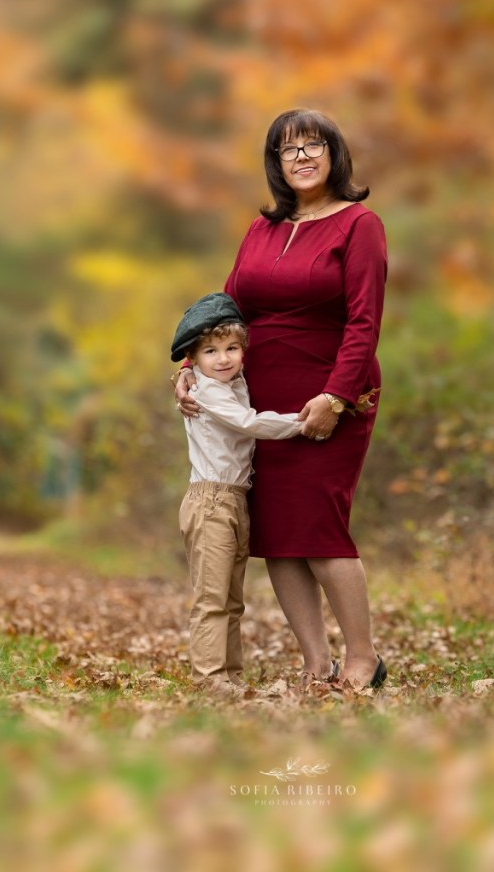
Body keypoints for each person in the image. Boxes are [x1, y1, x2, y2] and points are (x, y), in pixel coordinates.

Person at [174, 109, 387, 689]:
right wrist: (191, 368)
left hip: (328, 391)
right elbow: (224, 312)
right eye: (289, 149)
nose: (302, 156)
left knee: (320, 526)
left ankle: (363, 657)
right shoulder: (261, 228)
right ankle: (318, 664)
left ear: (334, 155)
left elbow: (365, 322)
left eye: (314, 145)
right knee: (278, 535)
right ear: (276, 162)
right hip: (256, 403)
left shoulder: (358, 225)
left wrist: (337, 397)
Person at [170, 291, 304, 697]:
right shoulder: (208, 392)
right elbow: (248, 423)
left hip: (234, 499)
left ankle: (229, 675)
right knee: (212, 597)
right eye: (211, 351)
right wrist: (302, 423)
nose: (224, 358)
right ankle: (210, 679)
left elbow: (225, 374)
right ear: (194, 358)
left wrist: (181, 373)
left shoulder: (230, 381)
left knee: (232, 600)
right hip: (210, 501)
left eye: (232, 348)